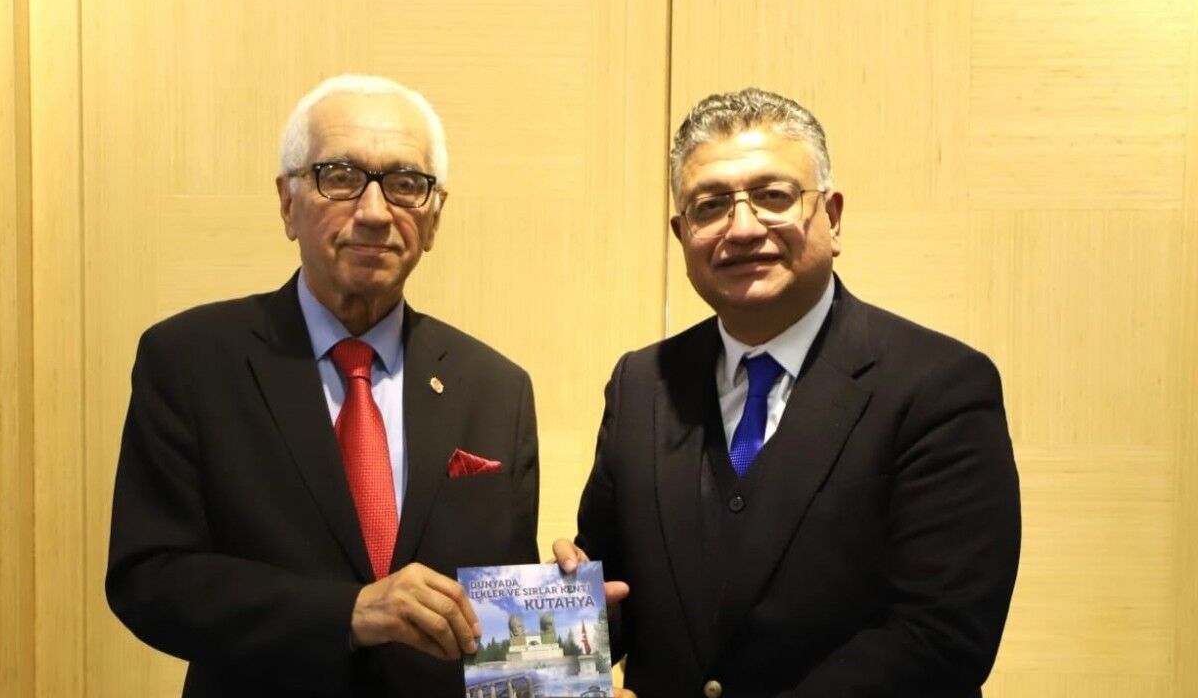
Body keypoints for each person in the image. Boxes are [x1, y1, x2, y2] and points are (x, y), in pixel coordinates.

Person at [555, 88, 1021, 697]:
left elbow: (941, 637)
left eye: (773, 196)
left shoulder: (939, 386)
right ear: (682, 234)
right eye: (710, 206)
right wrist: (562, 614)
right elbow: (620, 591)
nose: (743, 228)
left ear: (833, 216)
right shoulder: (641, 384)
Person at [106, 74, 540, 696]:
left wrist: (568, 620)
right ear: (288, 203)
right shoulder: (190, 361)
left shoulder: (497, 388)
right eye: (340, 176)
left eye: (405, 184)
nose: (374, 212)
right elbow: (149, 580)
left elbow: (498, 614)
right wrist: (349, 613)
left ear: (434, 218)